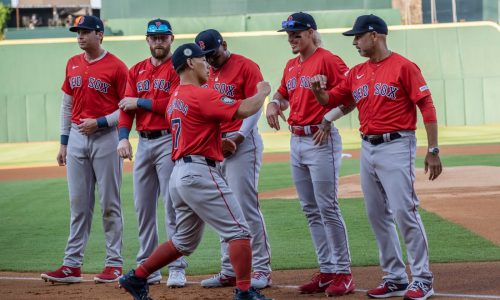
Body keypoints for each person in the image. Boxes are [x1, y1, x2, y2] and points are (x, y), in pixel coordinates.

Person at [118, 43, 272, 300]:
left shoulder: (175, 97)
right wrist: (263, 92)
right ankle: (244, 291)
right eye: (202, 60)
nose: (208, 65)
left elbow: (194, 128)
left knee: (183, 242)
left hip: (180, 174)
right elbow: (244, 109)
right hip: (200, 172)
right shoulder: (202, 94)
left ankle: (137, 277)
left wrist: (215, 143)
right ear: (190, 63)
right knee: (239, 231)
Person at [310, 14, 442, 300]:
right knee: (377, 215)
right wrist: (320, 94)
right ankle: (395, 278)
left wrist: (433, 150)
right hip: (367, 146)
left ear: (375, 36)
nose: (355, 42)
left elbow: (426, 106)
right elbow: (335, 101)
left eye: (358, 36)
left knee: (405, 211)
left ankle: (423, 278)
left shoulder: (404, 67)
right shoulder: (356, 71)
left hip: (397, 144)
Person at [265, 12, 356, 297]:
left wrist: (329, 118)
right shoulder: (292, 65)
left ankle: (344, 272)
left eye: (297, 34)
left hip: (320, 139)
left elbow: (352, 96)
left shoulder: (328, 60)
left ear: (311, 33)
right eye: (289, 35)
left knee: (327, 207)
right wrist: (273, 104)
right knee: (310, 209)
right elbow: (281, 95)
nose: (292, 39)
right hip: (296, 141)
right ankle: (327, 269)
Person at [41, 15, 127, 284]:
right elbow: (67, 105)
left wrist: (101, 121)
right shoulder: (73, 63)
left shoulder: (117, 67)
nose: (80, 36)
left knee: (110, 204)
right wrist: (64, 142)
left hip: (106, 138)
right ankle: (71, 265)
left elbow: (125, 108)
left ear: (100, 35)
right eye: (78, 31)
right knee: (78, 204)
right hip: (77, 137)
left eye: (86, 31)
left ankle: (114, 264)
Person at [194, 29, 272, 289]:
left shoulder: (246, 66)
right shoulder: (205, 72)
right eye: (204, 56)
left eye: (213, 53)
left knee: (246, 206)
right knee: (222, 208)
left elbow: (255, 106)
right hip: (215, 144)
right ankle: (229, 269)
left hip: (242, 143)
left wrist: (237, 138)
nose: (210, 60)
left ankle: (261, 269)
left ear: (224, 45)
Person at [116, 18, 188, 288]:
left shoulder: (178, 68)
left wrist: (141, 102)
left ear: (171, 39)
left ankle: (177, 267)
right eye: (154, 37)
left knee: (172, 205)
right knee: (143, 208)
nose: (159, 42)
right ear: (147, 40)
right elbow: (126, 108)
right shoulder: (136, 71)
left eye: (163, 37)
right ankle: (149, 268)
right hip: (144, 143)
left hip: (169, 139)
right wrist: (123, 138)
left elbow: (173, 105)